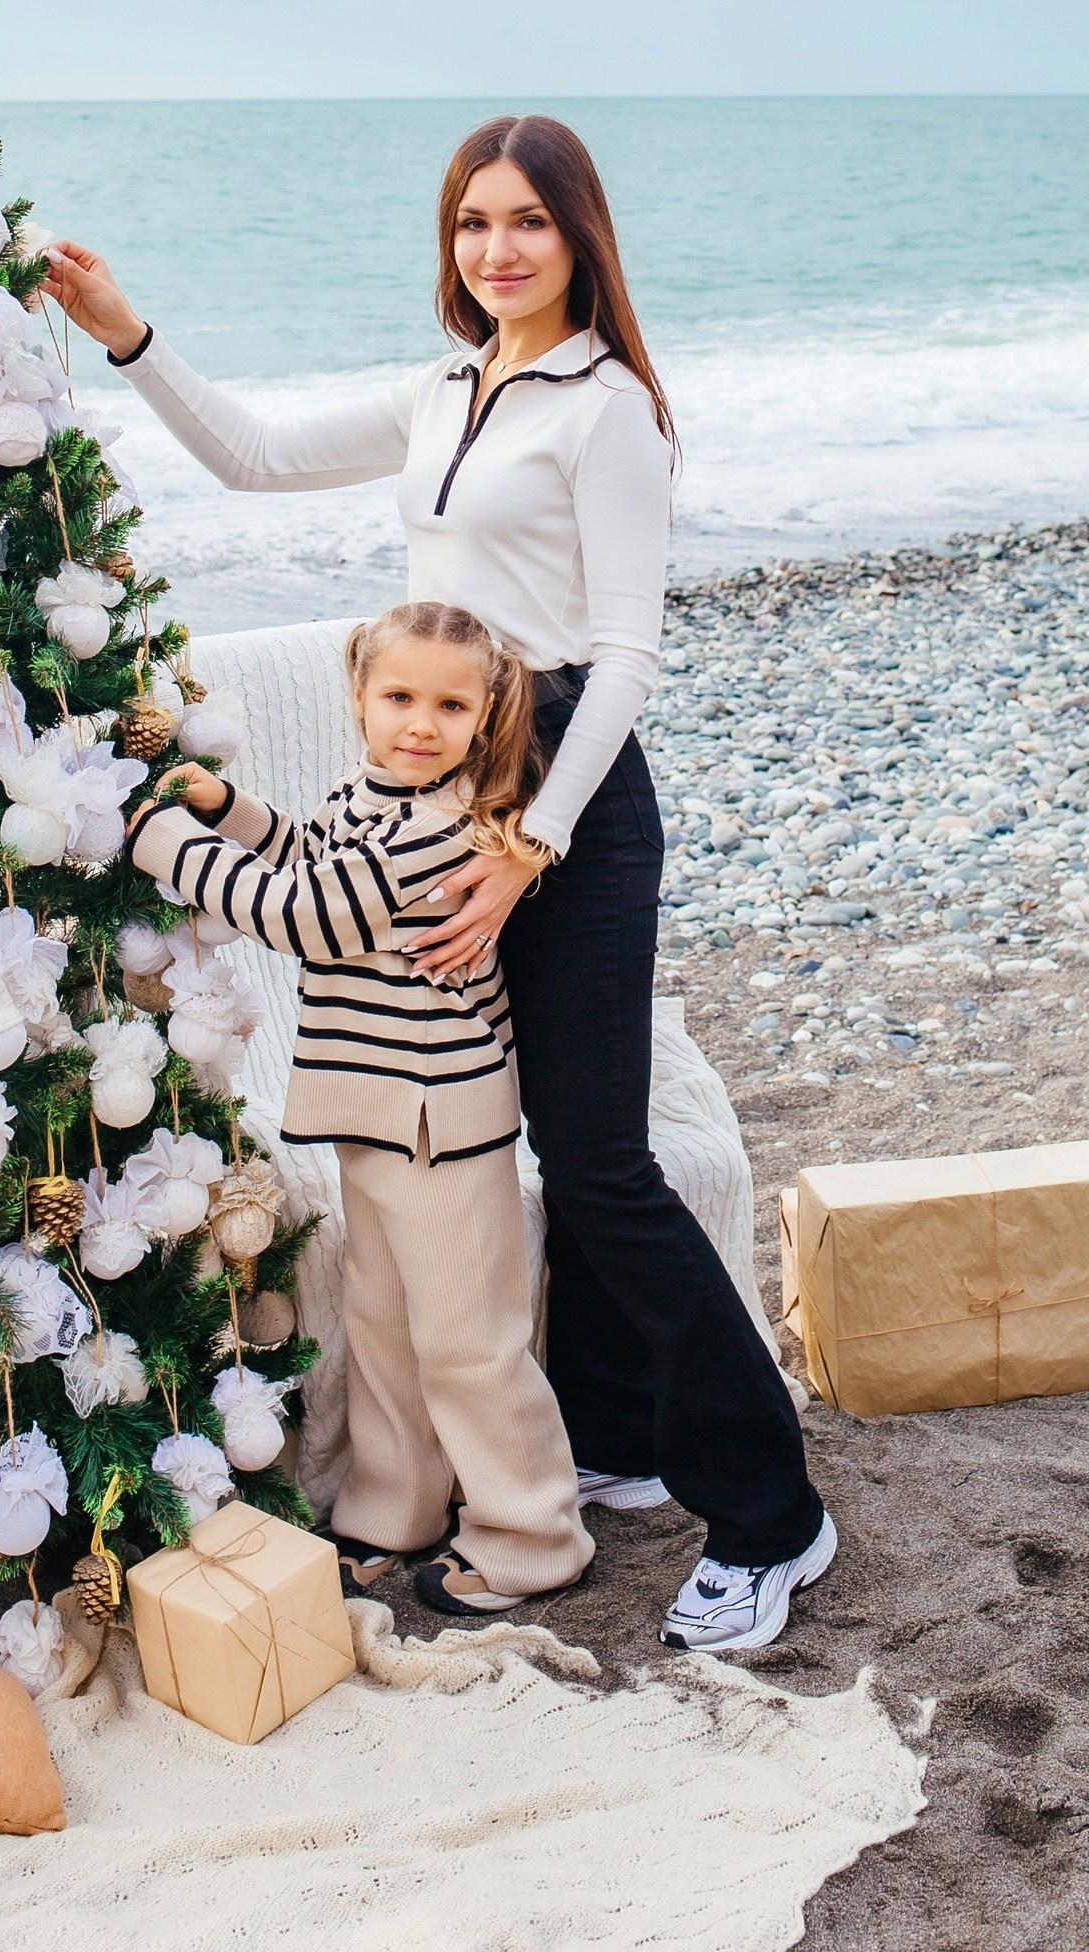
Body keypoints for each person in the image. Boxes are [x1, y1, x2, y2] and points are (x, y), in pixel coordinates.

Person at [43, 113, 834, 1651]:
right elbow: (255, 454)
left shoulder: (606, 410)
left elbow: (624, 655)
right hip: (437, 796)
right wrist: (126, 332)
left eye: (527, 223)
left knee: (599, 1156)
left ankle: (769, 1516)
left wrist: (529, 840)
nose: (496, 250)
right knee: (539, 1130)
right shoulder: (440, 391)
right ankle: (607, 1436)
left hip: (564, 809)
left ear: (577, 237)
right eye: (472, 223)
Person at [127, 600, 594, 1616]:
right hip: (373, 1110)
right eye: (399, 697)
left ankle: (532, 1534)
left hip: (440, 1119)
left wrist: (166, 844)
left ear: (484, 717)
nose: (420, 723)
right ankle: (396, 1509)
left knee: (468, 1337)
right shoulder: (369, 796)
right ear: (360, 699)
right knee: (384, 1322)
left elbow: (309, 915)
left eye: (448, 705)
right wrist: (227, 807)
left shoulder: (443, 824)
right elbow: (309, 853)